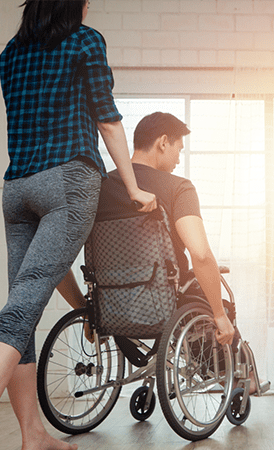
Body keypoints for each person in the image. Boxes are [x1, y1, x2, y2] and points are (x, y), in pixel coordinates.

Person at [0, 2, 155, 449]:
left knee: (23, 307)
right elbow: (109, 121)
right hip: (68, 181)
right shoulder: (84, 40)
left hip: (17, 188)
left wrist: (81, 303)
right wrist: (134, 189)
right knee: (22, 309)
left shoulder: (9, 53)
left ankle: (33, 434)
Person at [58, 112, 235, 347]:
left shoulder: (95, 189)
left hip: (109, 306)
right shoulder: (178, 188)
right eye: (178, 150)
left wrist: (84, 310)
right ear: (163, 142)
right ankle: (247, 379)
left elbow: (56, 258)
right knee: (219, 304)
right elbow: (200, 254)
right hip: (166, 303)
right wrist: (220, 315)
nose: (178, 160)